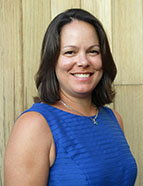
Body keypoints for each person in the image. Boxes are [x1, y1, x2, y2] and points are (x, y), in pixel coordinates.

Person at [4, 8, 137, 186]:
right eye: (70, 52)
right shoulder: (34, 125)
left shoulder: (114, 119)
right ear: (53, 60)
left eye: (93, 51)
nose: (83, 62)